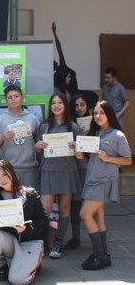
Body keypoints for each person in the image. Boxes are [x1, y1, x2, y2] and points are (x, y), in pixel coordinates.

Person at [76, 101, 132, 270]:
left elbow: (128, 160)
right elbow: (90, 157)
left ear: (109, 114)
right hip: (91, 179)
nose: (98, 116)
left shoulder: (117, 136)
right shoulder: (93, 134)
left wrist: (109, 158)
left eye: (102, 113)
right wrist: (80, 155)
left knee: (85, 214)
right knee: (98, 216)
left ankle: (100, 255)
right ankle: (102, 253)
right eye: (96, 113)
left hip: (105, 181)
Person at [0, 160, 48, 284]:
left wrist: (26, 228)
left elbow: (43, 221)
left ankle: (33, 264)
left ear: (12, 172)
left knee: (17, 280)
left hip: (31, 242)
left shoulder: (29, 193)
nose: (2, 180)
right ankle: (1, 267)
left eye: (5, 174)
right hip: (11, 242)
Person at [33, 92, 80, 258]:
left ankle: (59, 242)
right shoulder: (44, 126)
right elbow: (37, 149)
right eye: (54, 103)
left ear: (65, 106)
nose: (57, 106)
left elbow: (80, 154)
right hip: (48, 170)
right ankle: (45, 241)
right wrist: (37, 146)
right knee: (44, 210)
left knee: (65, 208)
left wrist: (77, 148)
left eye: (60, 102)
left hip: (67, 171)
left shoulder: (73, 127)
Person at [0, 85, 41, 189]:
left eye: (16, 96)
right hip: (8, 170)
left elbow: (39, 142)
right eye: (10, 97)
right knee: (11, 202)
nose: (13, 99)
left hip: (30, 168)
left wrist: (38, 147)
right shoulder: (1, 120)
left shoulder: (32, 119)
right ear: (6, 101)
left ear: (22, 98)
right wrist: (3, 137)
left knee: (30, 202)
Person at [67, 92, 93, 250]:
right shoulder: (70, 124)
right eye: (76, 105)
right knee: (75, 204)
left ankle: (97, 238)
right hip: (74, 167)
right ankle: (76, 237)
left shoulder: (95, 122)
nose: (79, 108)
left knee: (92, 205)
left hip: (90, 168)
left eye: (82, 105)